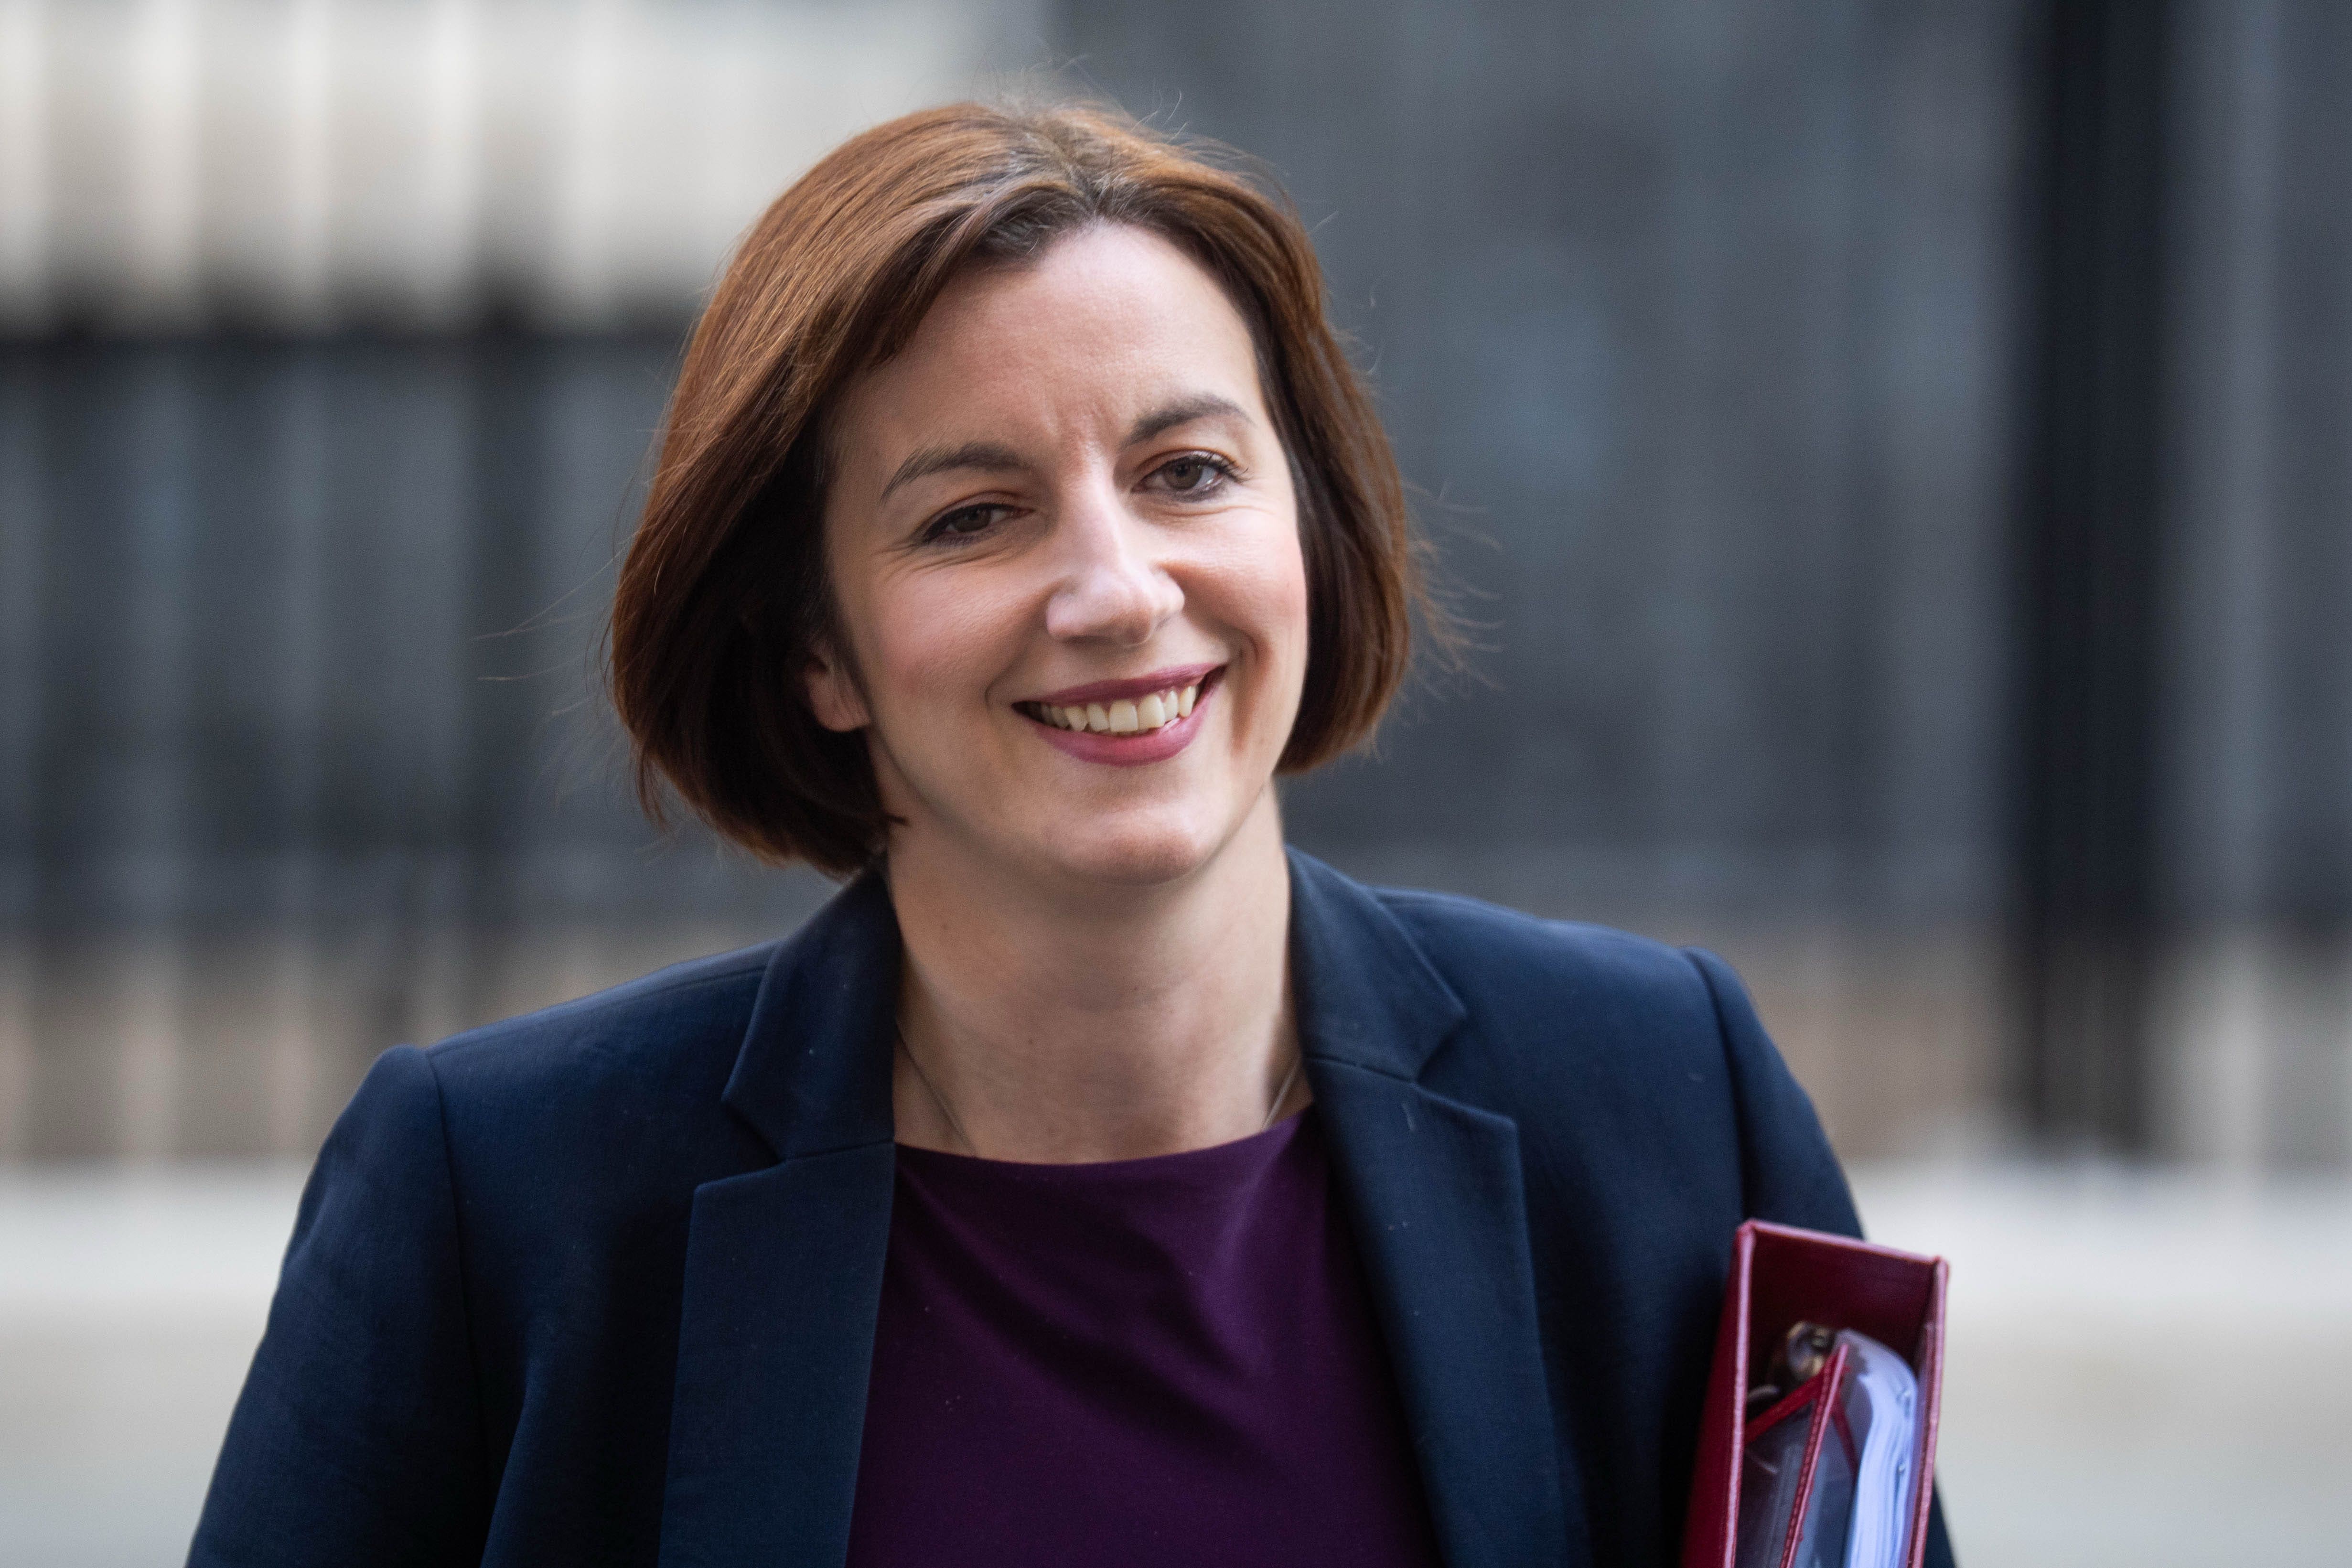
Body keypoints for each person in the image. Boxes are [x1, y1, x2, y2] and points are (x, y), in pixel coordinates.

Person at [190, 101, 1953, 1568]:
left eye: (1188, 472)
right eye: (973, 515)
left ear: (1308, 533)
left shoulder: (1664, 1097)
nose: (1117, 590)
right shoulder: (499, 1202)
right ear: (818, 652)